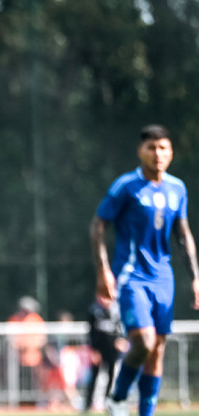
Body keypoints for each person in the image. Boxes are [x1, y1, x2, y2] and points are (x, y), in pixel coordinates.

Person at [90, 124, 199, 416]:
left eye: (163, 147)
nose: (157, 153)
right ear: (140, 151)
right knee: (144, 343)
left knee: (158, 349)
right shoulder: (126, 186)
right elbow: (98, 225)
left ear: (171, 152)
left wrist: (196, 278)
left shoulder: (178, 188)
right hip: (131, 276)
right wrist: (103, 270)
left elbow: (183, 234)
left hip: (163, 278)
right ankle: (117, 398)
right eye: (151, 147)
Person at [83, 297, 127, 413]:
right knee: (94, 377)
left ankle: (109, 403)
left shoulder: (117, 310)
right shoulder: (95, 310)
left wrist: (121, 339)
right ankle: (88, 404)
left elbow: (122, 328)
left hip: (112, 350)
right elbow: (91, 332)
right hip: (99, 349)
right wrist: (94, 350)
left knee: (112, 376)